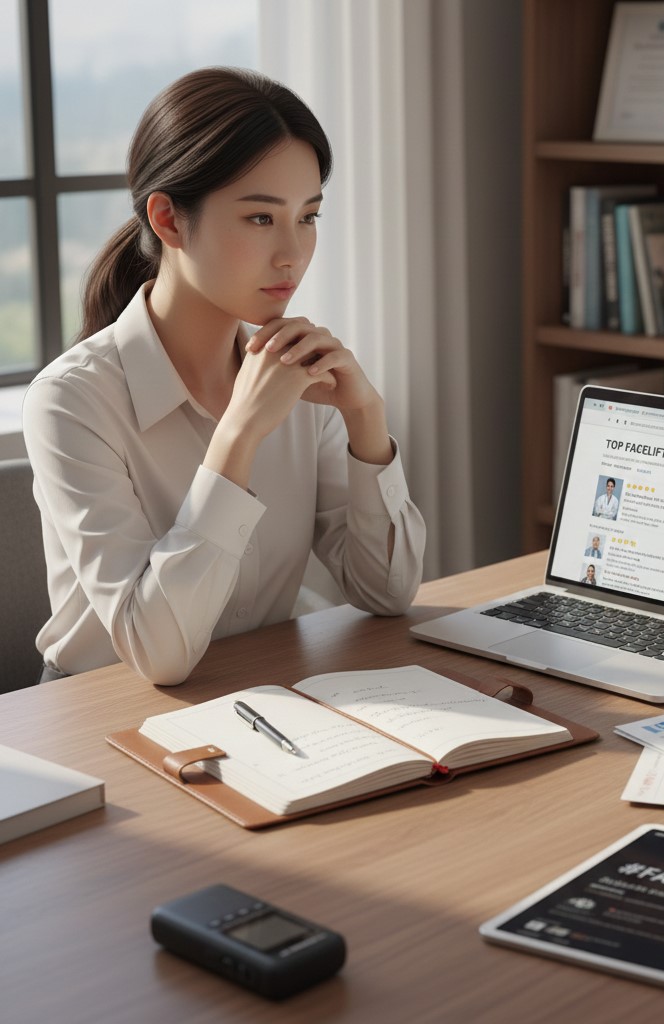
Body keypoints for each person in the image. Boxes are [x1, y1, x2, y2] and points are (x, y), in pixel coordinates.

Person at [23, 67, 426, 685]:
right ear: (168, 219)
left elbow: (387, 594)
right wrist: (237, 438)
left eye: (309, 216)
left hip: (255, 696)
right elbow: (158, 656)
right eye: (261, 219)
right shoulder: (70, 400)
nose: (293, 253)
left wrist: (366, 421)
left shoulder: (299, 378)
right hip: (100, 720)